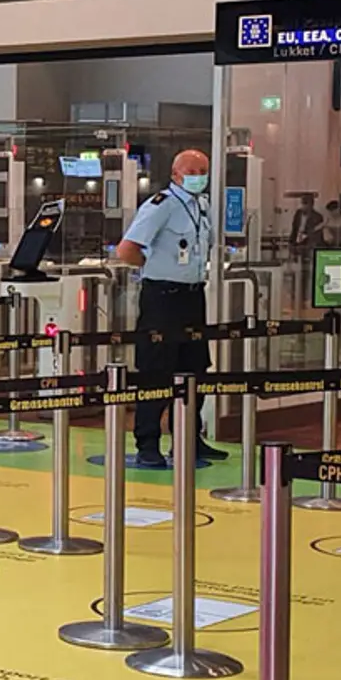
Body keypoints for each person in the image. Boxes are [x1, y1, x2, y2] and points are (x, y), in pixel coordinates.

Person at [113, 149, 225, 470]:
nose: (198, 176)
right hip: (162, 297)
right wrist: (154, 268)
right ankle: (148, 442)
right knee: (156, 369)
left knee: (196, 368)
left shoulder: (202, 206)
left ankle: (189, 438)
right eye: (192, 170)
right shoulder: (160, 206)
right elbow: (127, 250)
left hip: (193, 297)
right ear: (176, 174)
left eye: (203, 170)